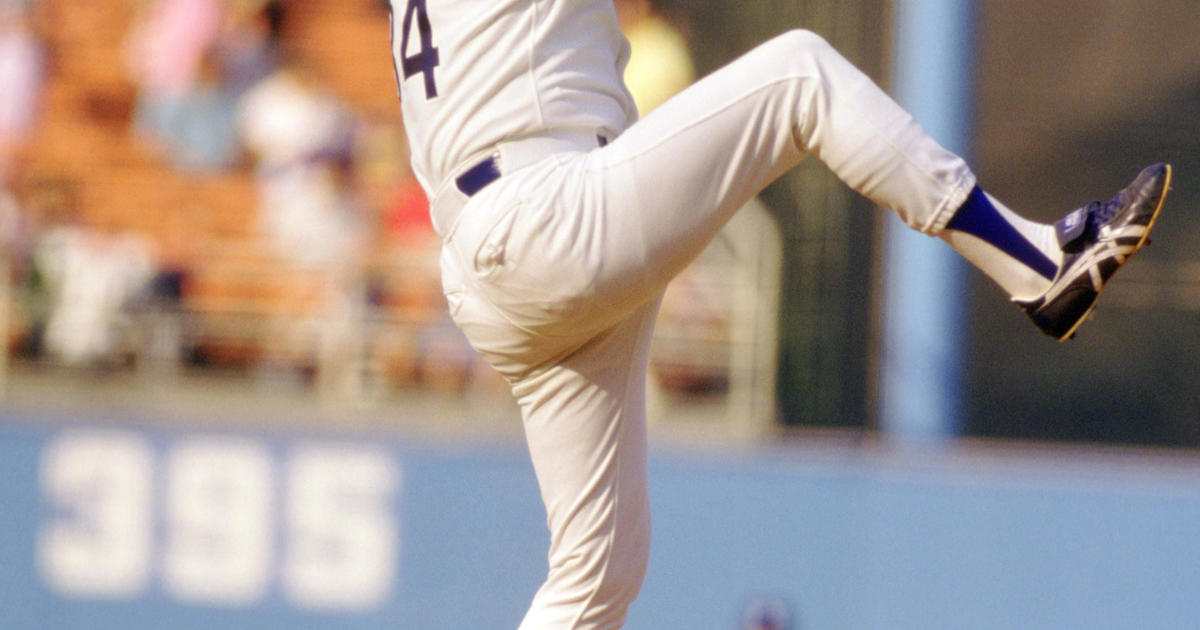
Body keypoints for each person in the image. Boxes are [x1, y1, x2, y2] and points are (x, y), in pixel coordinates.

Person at [385, 1, 1171, 628]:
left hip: (507, 250)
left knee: (598, 579)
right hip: (545, 216)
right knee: (802, 73)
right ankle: (1041, 267)